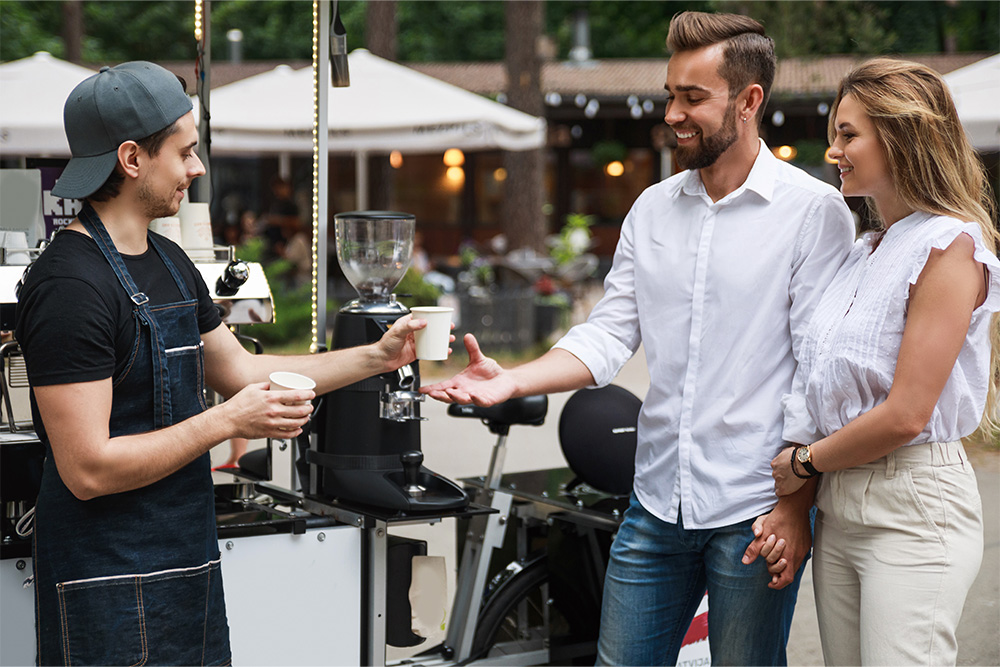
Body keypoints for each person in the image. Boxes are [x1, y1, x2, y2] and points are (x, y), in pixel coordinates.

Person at [423, 11, 855, 665]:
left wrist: (796, 505)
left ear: (749, 101)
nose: (674, 114)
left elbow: (815, 374)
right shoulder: (652, 208)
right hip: (654, 502)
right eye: (669, 95)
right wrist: (514, 378)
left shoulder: (813, 211)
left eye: (693, 97)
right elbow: (608, 332)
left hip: (754, 508)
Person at [15, 61, 427, 666]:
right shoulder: (70, 286)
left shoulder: (171, 260)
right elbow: (88, 469)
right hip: (106, 581)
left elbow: (242, 374)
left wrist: (376, 355)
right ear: (131, 159)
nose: (197, 167)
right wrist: (228, 423)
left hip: (188, 565)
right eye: (184, 153)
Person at [767, 58, 1000, 666]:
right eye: (833, 134)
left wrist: (802, 461)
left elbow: (905, 414)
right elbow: (814, 382)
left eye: (848, 134)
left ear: (900, 137)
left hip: (913, 505)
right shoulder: (866, 250)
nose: (832, 150)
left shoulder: (950, 244)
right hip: (839, 507)